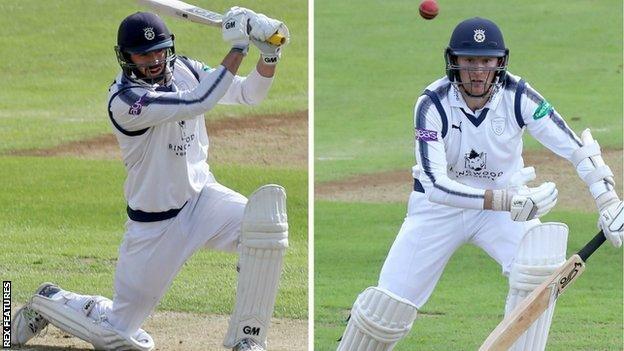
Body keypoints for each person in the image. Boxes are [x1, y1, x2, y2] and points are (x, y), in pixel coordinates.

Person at [11, 7, 291, 351]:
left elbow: (250, 94)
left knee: (264, 229)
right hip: (155, 225)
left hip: (203, 200)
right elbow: (199, 101)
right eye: (144, 54)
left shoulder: (185, 68)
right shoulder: (124, 101)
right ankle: (49, 300)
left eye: (160, 49)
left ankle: (247, 340)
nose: (155, 59)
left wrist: (269, 53)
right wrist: (239, 46)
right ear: (126, 57)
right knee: (118, 337)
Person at [337, 17, 623, 351]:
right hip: (439, 211)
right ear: (453, 61)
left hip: (504, 213)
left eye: (486, 61)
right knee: (386, 308)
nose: (477, 71)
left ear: (500, 62)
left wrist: (608, 200)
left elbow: (575, 146)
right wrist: (504, 200)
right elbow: (435, 186)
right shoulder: (431, 103)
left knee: (539, 268)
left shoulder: (518, 95)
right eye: (469, 60)